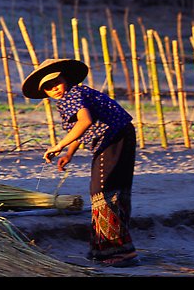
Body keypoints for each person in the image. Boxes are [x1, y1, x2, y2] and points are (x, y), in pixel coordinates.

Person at [21, 58, 139, 267]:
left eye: (56, 82)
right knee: (109, 189)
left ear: (65, 79)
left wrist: (58, 146)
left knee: (103, 190)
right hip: (118, 136)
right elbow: (79, 130)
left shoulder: (73, 94)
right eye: (48, 88)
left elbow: (85, 121)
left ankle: (118, 251)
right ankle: (102, 249)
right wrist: (69, 153)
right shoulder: (70, 98)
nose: (54, 89)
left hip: (115, 137)